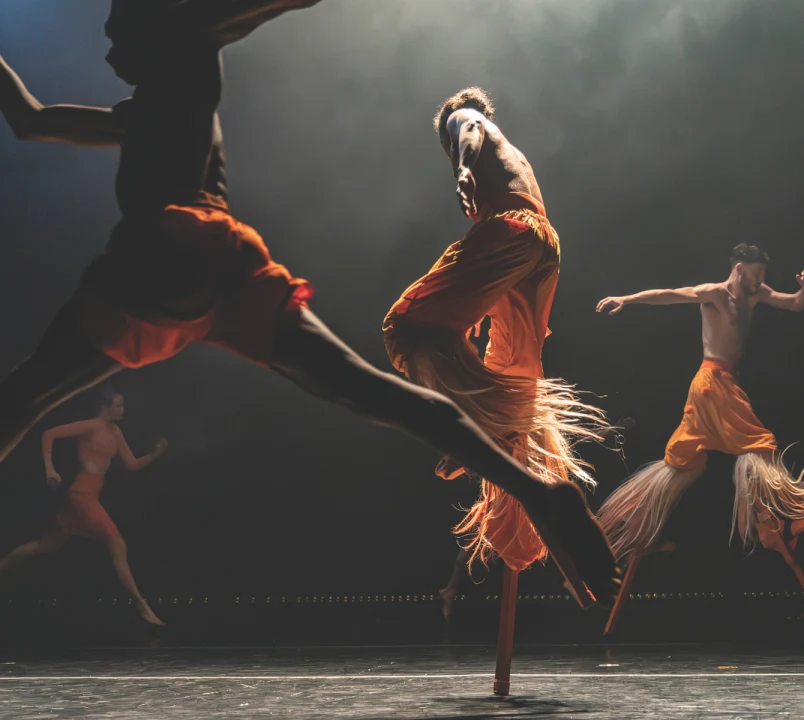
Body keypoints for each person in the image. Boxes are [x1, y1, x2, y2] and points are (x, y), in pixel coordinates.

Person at [0, 8, 619, 606]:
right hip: (232, 271)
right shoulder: (144, 114)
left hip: (167, 249)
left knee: (25, 396)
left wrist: (461, 160)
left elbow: (467, 126)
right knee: (369, 390)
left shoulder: (186, 41)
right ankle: (536, 491)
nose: (107, 45)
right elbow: (27, 119)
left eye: (117, 27)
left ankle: (515, 461)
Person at [383, 88, 609, 596]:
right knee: (513, 371)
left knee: (406, 325)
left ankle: (475, 422)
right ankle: (506, 449)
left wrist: (462, 166)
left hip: (511, 231)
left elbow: (468, 127)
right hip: (542, 248)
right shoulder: (517, 157)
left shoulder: (466, 122)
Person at [595, 243, 804, 636]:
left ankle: (646, 528)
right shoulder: (714, 292)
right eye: (756, 275)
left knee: (689, 462)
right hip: (711, 383)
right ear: (739, 269)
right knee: (760, 445)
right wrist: (627, 299)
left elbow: (794, 304)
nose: (761, 283)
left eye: (763, 277)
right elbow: (670, 296)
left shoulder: (757, 293)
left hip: (720, 386)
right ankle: (775, 527)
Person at [0, 391, 166, 625]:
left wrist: (154, 454)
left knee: (46, 544)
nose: (122, 410)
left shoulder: (114, 431)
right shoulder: (90, 426)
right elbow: (49, 434)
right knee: (117, 543)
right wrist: (50, 469)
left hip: (90, 494)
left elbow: (132, 464)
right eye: (118, 406)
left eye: (122, 406)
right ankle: (141, 603)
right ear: (106, 406)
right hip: (81, 494)